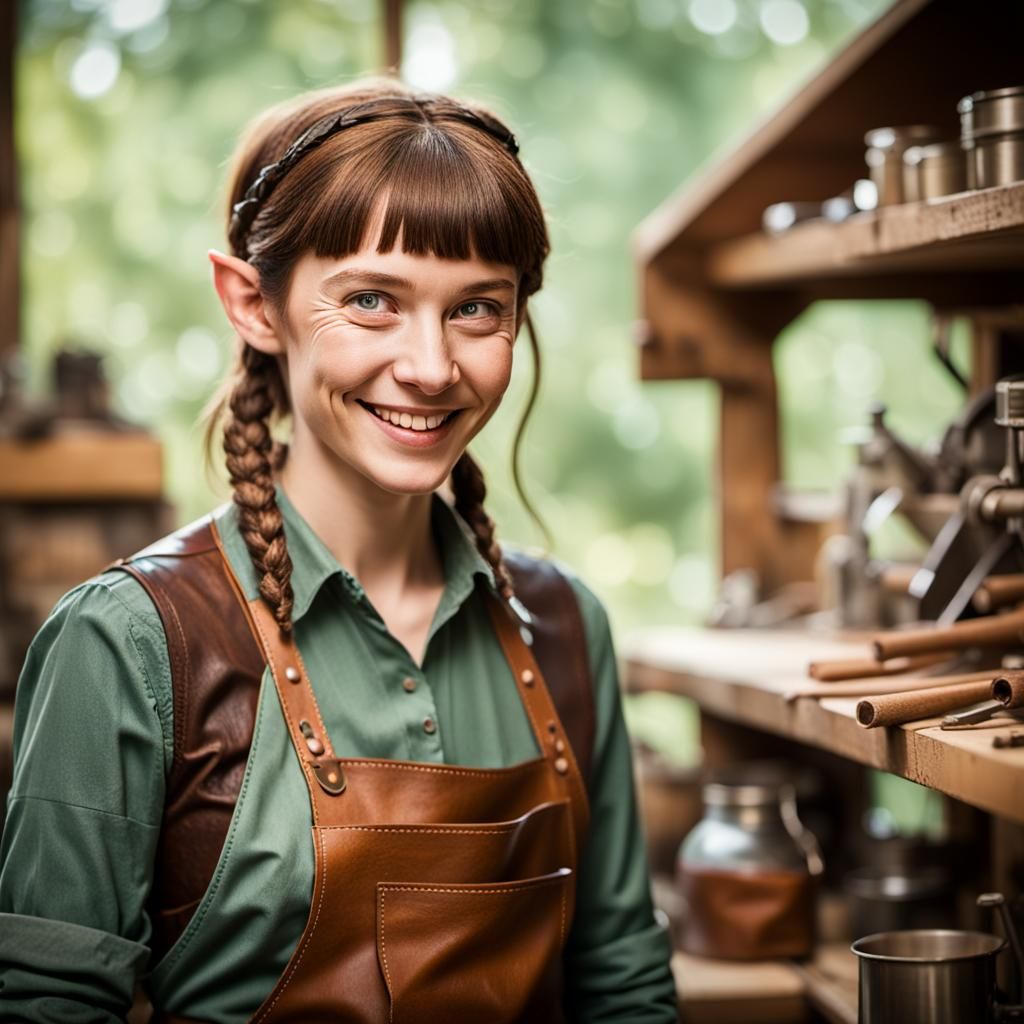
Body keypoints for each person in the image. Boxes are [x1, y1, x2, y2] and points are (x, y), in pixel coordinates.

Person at [0, 77, 677, 1022]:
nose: (432, 366)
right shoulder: (131, 644)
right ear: (252, 304)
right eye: (370, 300)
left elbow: (624, 983)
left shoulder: (563, 626)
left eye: (478, 308)